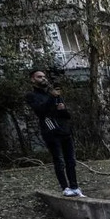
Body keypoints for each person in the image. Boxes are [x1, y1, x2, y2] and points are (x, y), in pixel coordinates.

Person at [26, 69, 83, 197]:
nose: (43, 78)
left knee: (71, 161)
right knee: (59, 161)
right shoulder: (32, 96)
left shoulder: (54, 94)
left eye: (44, 76)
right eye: (39, 77)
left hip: (65, 130)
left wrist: (62, 109)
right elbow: (41, 112)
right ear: (33, 79)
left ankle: (74, 187)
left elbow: (66, 115)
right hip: (51, 131)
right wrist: (52, 97)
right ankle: (65, 188)